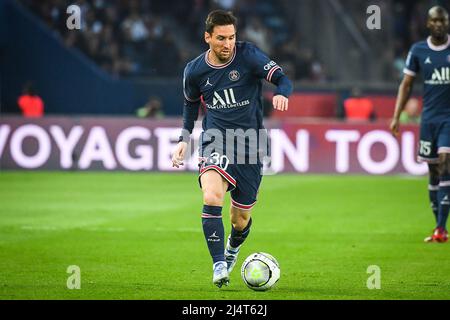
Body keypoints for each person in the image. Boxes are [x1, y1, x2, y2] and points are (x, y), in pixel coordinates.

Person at [171, 10, 293, 287]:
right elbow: (190, 104)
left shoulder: (249, 56)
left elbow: (283, 78)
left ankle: (232, 249)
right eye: (221, 38)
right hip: (216, 139)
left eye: (232, 37)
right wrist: (184, 138)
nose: (228, 44)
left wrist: (283, 93)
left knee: (240, 220)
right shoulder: (194, 70)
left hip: (251, 145)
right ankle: (218, 266)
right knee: (212, 195)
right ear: (208, 38)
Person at [390, 6, 450, 243]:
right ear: (428, 24)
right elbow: (406, 85)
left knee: (445, 163)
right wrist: (396, 115)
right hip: (429, 119)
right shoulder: (418, 50)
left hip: (448, 119)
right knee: (433, 171)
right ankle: (437, 225)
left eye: (443, 20)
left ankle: (441, 228)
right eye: (434, 21)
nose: (438, 24)